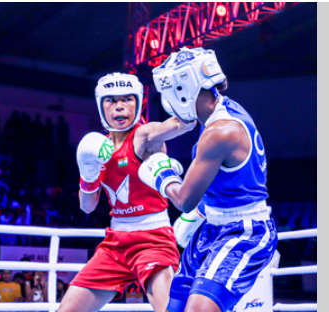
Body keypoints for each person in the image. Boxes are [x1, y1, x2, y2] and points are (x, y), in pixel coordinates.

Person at [138, 47, 278, 312]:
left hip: (244, 231)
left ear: (183, 90)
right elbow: (231, 182)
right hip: (212, 226)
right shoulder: (222, 109)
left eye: (170, 92)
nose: (168, 101)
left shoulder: (220, 132)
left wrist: (162, 174)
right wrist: (201, 214)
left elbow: (183, 200)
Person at [57, 72, 196, 312]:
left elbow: (183, 124)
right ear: (101, 106)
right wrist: (88, 174)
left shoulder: (144, 136)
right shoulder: (96, 149)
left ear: (138, 103)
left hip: (153, 240)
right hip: (115, 244)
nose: (120, 106)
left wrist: (183, 98)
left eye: (127, 99)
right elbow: (87, 206)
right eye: (111, 100)